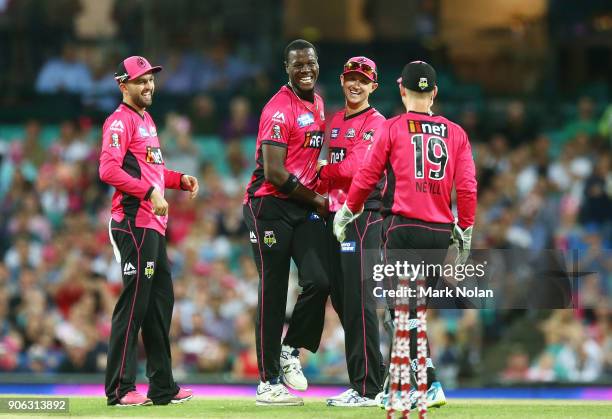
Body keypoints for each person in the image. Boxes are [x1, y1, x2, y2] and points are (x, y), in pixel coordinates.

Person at [334, 61, 478, 409]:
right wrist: (466, 226)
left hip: (403, 227)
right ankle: (401, 386)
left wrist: (349, 209)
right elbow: (468, 186)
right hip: (439, 231)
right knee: (414, 308)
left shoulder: (394, 127)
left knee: (403, 311)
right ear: (435, 93)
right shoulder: (456, 132)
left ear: (402, 91)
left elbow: (368, 175)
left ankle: (427, 384)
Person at [99, 56, 198, 406]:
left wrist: (177, 180)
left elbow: (152, 171)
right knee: (135, 305)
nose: (149, 85)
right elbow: (108, 170)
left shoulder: (147, 120)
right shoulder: (119, 122)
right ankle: (120, 388)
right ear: (123, 85)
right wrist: (148, 192)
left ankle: (162, 387)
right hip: (132, 223)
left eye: (151, 79)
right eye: (141, 80)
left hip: (152, 225)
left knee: (159, 306)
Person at [242, 39, 329, 406]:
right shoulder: (278, 109)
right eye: (298, 65)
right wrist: (319, 201)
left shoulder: (319, 102)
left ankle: (289, 348)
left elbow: (305, 161)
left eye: (310, 63)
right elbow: (276, 174)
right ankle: (267, 383)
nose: (305, 69)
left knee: (320, 280)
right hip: (269, 208)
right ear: (286, 68)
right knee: (273, 291)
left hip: (300, 207)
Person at [316, 57, 386, 407]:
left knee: (359, 302)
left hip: (362, 216)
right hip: (335, 216)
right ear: (342, 81)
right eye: (350, 78)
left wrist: (322, 171)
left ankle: (367, 388)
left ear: (374, 85)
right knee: (346, 302)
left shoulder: (377, 123)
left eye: (363, 79)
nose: (355, 84)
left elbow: (359, 169)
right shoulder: (335, 120)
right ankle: (373, 378)